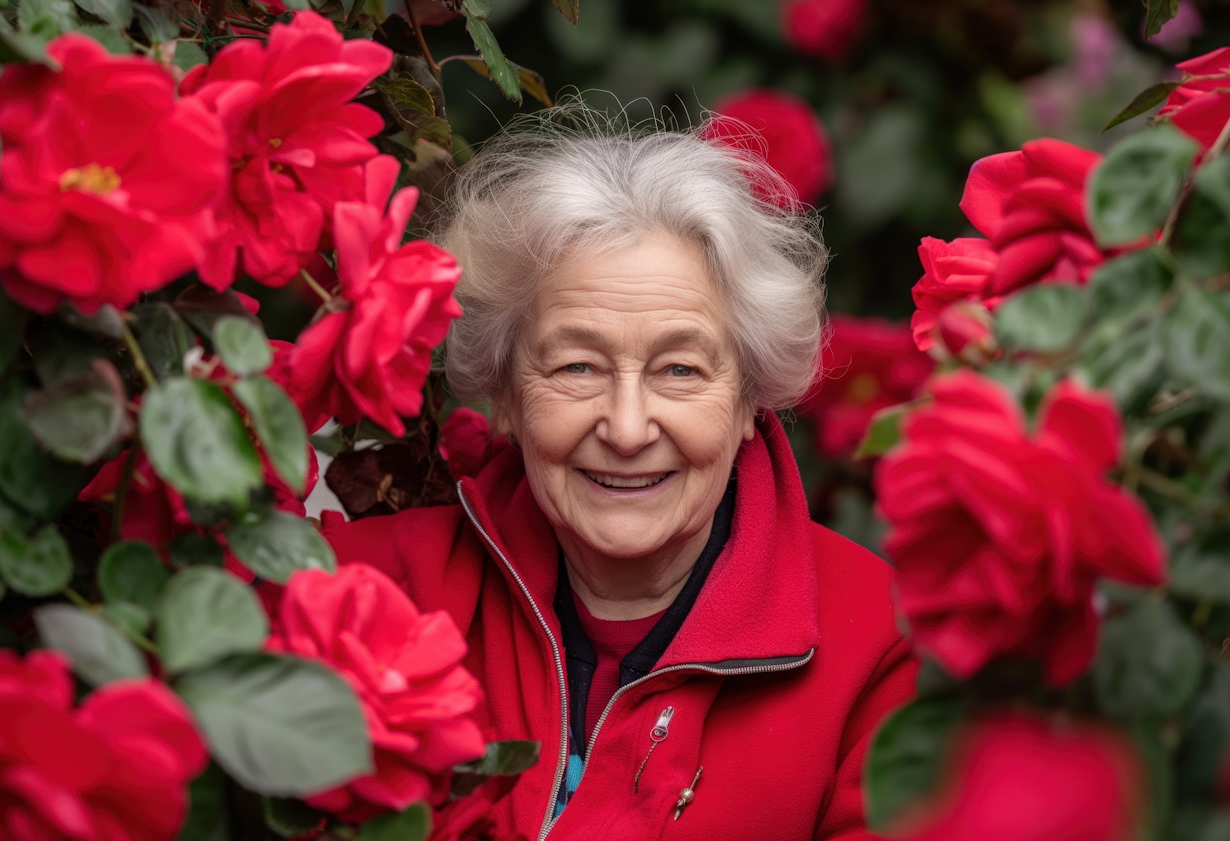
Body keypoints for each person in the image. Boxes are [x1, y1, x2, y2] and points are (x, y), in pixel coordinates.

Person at [322, 107, 916, 840]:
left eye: (679, 369)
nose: (628, 428)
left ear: (746, 403)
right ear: (505, 395)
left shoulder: (881, 650)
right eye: (576, 366)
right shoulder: (365, 596)